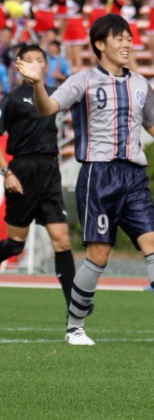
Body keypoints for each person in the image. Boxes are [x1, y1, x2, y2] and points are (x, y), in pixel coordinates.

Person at [16, 13, 154, 347]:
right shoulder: (83, 80)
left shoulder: (140, 84)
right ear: (99, 44)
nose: (126, 43)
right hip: (99, 174)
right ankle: (74, 327)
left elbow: (153, 124)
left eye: (129, 38)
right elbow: (49, 108)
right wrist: (37, 83)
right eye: (119, 37)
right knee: (99, 254)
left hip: (135, 175)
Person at [0, 45, 76, 308]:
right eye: (28, 60)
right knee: (14, 245)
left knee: (62, 240)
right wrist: (6, 172)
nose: (34, 64)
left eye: (39, 60)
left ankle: (75, 307)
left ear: (45, 65)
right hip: (22, 171)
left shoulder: (56, 96)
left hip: (50, 171)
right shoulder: (11, 99)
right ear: (19, 65)